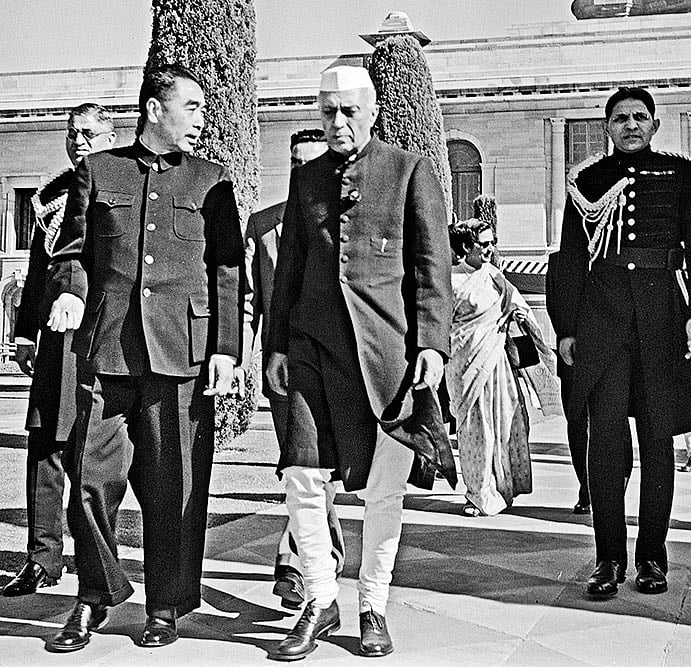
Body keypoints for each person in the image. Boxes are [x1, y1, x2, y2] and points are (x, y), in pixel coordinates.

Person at [43, 64, 244, 652]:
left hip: (180, 355)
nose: (202, 121)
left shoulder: (211, 181)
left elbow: (228, 272)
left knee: (174, 487)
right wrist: (71, 293)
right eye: (193, 107)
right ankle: (96, 594)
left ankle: (165, 607)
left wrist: (227, 349)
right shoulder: (98, 171)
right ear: (156, 109)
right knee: (86, 480)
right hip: (107, 354)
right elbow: (72, 252)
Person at [265, 65, 451, 660]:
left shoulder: (409, 170)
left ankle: (373, 604)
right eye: (327, 111)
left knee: (384, 491)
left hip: (387, 356)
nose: (337, 122)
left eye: (348, 111)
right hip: (312, 352)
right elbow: (289, 267)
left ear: (372, 111)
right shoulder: (306, 181)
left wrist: (432, 345)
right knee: (302, 476)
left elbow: (431, 267)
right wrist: (274, 347)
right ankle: (319, 599)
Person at [551, 87, 691, 598]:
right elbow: (569, 260)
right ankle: (607, 560)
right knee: (604, 447)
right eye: (620, 118)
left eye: (640, 118)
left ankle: (652, 558)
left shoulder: (682, 174)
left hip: (662, 323)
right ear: (607, 126)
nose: (630, 125)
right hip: (602, 325)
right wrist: (566, 328)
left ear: (654, 125)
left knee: (657, 444)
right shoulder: (587, 181)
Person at [1, 104, 117, 597]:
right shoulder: (51, 197)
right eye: (72, 133)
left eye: (89, 132)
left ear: (111, 135)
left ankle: (98, 559)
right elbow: (38, 269)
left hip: (102, 337)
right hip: (55, 337)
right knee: (44, 445)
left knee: (95, 454)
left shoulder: (122, 187)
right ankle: (42, 558)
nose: (79, 140)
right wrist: (27, 332)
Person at [245, 129, 345, 609]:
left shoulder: (343, 221)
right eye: (294, 163)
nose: (301, 171)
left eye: (311, 162)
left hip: (338, 367)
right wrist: (237, 357)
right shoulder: (262, 226)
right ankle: (299, 563)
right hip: (283, 368)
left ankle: (303, 562)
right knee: (301, 466)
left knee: (318, 469)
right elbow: (249, 301)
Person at [447, 220, 544, 517]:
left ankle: (503, 488)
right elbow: (444, 327)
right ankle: (478, 494)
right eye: (484, 244)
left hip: (498, 365)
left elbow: (522, 309)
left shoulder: (495, 277)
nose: (490, 250)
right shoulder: (450, 281)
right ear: (466, 247)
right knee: (477, 430)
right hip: (467, 368)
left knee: (504, 426)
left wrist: (522, 319)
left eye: (492, 243)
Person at [545, 251, 592, 514]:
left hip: (610, 356)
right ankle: (586, 487)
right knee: (577, 425)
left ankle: (606, 487)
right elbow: (554, 306)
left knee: (608, 424)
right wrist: (566, 335)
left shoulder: (612, 249)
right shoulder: (558, 261)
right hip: (571, 357)